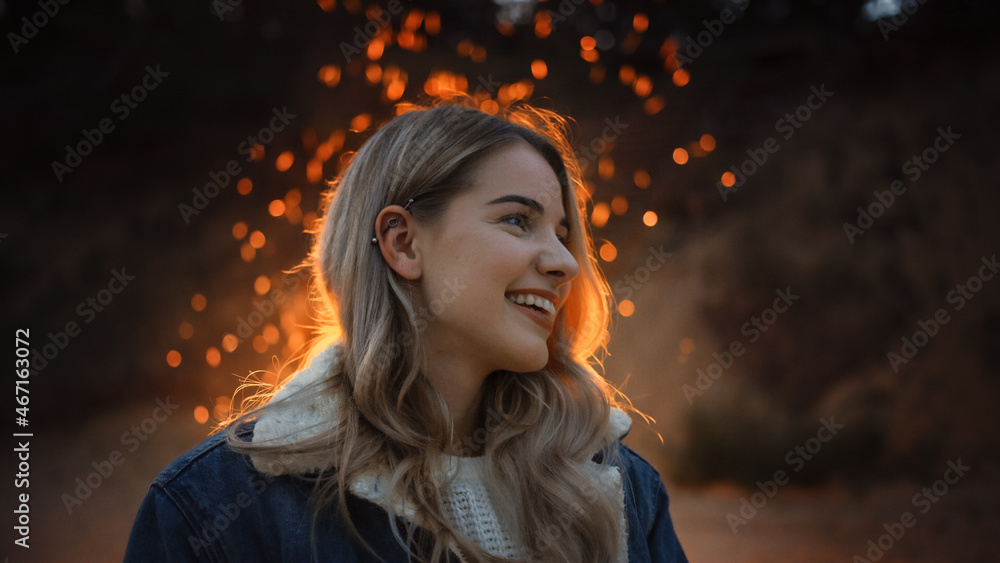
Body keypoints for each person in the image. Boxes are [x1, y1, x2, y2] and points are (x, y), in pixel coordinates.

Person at [124, 101, 687, 562]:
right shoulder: (218, 509)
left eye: (563, 233)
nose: (565, 262)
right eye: (518, 219)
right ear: (403, 243)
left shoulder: (618, 491)